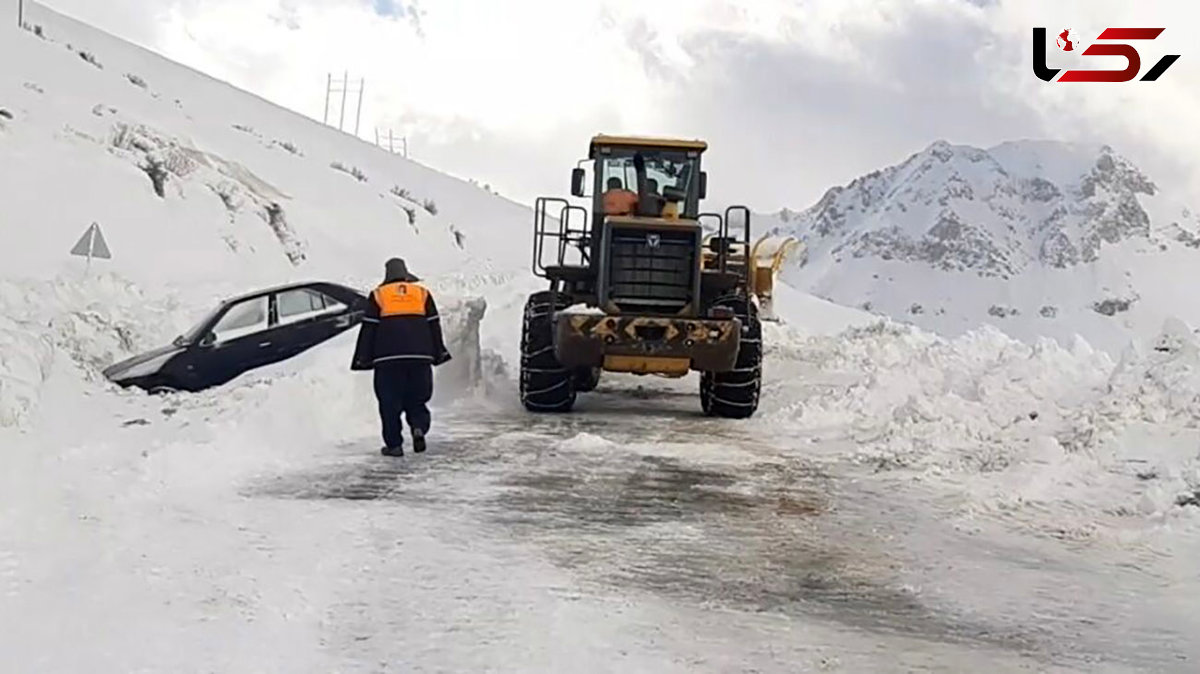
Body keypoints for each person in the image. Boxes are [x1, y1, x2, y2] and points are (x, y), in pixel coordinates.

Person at [351, 258, 451, 456]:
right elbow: (433, 324)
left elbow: (369, 328)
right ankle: (418, 427)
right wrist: (438, 352)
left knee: (389, 403)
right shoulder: (421, 294)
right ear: (406, 274)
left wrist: (362, 357)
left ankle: (394, 445)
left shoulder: (379, 295)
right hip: (419, 358)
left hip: (387, 360)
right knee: (417, 400)